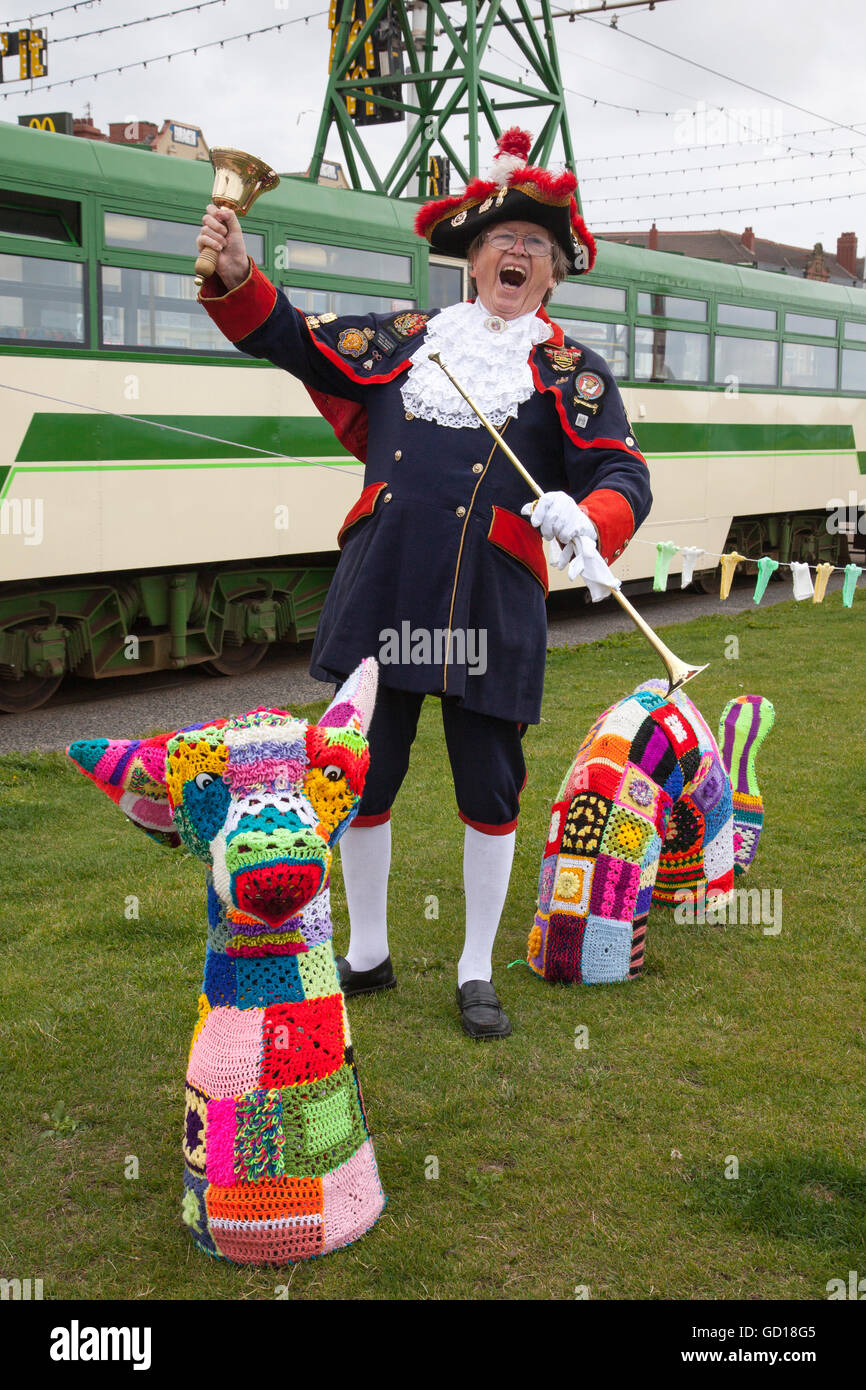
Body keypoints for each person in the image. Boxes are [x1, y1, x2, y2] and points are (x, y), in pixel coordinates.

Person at [196, 127, 652, 1039]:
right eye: (499, 241)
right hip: (384, 591)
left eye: (536, 246)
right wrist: (235, 271)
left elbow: (625, 479)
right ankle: (368, 953)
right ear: (471, 260)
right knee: (366, 776)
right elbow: (288, 336)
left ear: (555, 274)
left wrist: (583, 515)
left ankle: (475, 966)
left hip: (487, 604)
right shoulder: (407, 339)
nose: (515, 254)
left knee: (490, 786)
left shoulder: (573, 372)